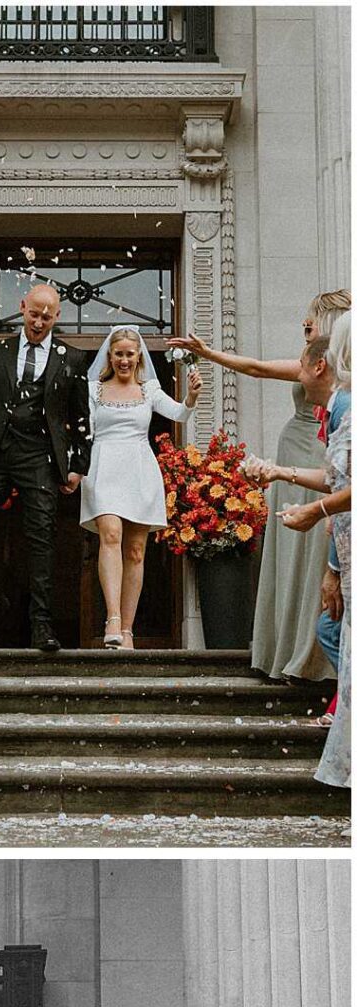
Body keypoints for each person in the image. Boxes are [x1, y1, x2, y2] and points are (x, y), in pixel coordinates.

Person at [180, 287, 351, 682]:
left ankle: (319, 656)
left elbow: (257, 367)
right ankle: (288, 650)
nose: (306, 323)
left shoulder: (334, 371)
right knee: (292, 552)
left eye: (313, 317)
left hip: (318, 457)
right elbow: (255, 366)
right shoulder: (309, 360)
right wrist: (208, 354)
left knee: (320, 550)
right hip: (293, 454)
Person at [0, 279, 91, 655]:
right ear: (22, 307)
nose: (39, 322)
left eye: (47, 317)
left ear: (57, 316)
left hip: (41, 454)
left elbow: (82, 418)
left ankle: (41, 625)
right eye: (34, 314)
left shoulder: (73, 359)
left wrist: (78, 465)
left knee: (41, 539)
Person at [259, 317, 352, 791]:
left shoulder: (349, 410)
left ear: (321, 366)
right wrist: (280, 472)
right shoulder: (337, 412)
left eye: (300, 365)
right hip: (346, 552)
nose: (295, 373)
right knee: (334, 629)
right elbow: (338, 480)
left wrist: (315, 512)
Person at [80, 328, 202, 648]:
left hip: (139, 468)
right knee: (110, 534)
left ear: (138, 356)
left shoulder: (149, 391)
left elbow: (179, 413)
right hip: (103, 465)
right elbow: (81, 430)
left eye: (129, 354)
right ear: (110, 356)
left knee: (135, 550)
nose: (124, 359)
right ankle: (113, 619)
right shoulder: (94, 390)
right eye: (118, 354)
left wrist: (190, 397)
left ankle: (129, 630)